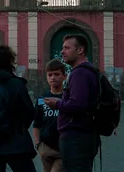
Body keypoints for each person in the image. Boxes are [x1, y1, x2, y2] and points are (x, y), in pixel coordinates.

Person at [44, 35, 99, 172]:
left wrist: (57, 104)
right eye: (63, 48)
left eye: (67, 48)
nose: (62, 51)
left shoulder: (79, 73)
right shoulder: (88, 70)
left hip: (76, 137)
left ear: (80, 50)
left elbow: (77, 105)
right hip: (84, 134)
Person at [34, 59, 66, 172]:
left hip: (64, 148)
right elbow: (37, 123)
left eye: (57, 74)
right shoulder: (42, 98)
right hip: (46, 147)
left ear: (64, 76)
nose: (53, 77)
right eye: (50, 75)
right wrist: (38, 145)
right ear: (46, 78)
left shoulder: (68, 98)